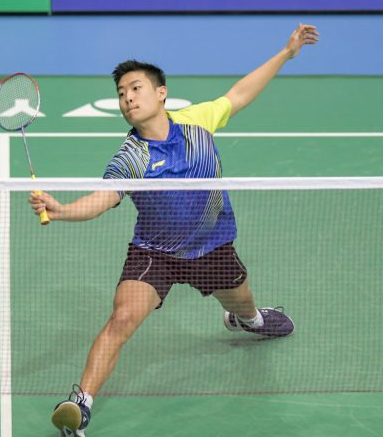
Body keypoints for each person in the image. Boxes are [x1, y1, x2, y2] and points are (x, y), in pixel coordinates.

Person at [28, 24, 319, 436]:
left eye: (135, 89)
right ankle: (80, 405)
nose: (128, 98)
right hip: (155, 253)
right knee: (122, 319)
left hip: (212, 246)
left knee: (243, 304)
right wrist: (61, 210)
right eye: (121, 94)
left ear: (161, 93)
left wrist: (286, 53)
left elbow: (239, 94)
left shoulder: (196, 123)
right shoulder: (131, 157)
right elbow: (103, 199)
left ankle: (249, 321)